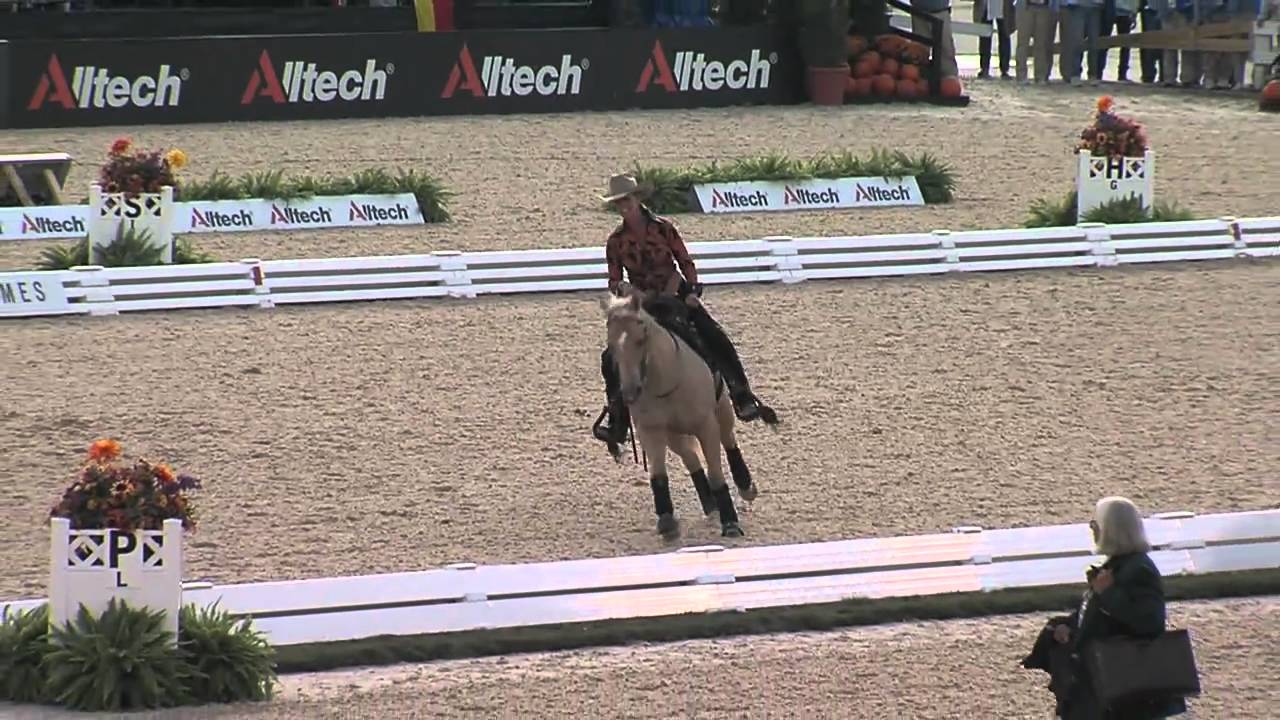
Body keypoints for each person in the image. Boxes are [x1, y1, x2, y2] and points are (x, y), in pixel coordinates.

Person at [591, 173, 775, 458]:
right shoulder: (615, 241)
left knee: (714, 334)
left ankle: (741, 394)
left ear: (638, 199)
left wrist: (691, 291)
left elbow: (684, 261)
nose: (623, 207)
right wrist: (623, 287)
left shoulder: (664, 229)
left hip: (674, 295)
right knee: (610, 358)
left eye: (626, 201)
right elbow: (614, 278)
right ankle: (618, 420)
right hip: (643, 304)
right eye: (618, 204)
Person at [1021, 496, 1189, 719]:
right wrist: (1067, 627)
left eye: (1095, 524)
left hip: (1121, 692)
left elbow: (1149, 623)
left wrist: (1108, 593)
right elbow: (1097, 614)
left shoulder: (1138, 570)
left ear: (1111, 530)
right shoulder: (1118, 567)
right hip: (1103, 688)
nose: (1092, 529)